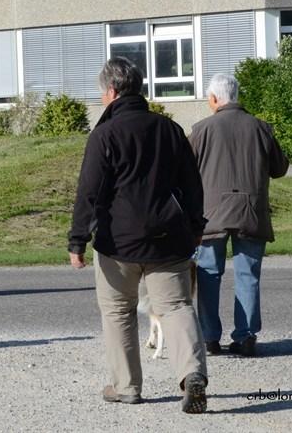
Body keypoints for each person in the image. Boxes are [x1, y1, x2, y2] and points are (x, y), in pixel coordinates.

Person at [68, 57, 208, 413]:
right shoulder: (170, 129)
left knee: (118, 311)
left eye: (102, 92)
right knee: (176, 307)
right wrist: (196, 226)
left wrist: (77, 239)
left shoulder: (104, 134)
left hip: (118, 242)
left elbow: (89, 191)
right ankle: (192, 374)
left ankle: (127, 386)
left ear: (112, 91)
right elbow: (192, 184)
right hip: (169, 237)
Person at [189, 73, 289, 357]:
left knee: (208, 274)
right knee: (248, 275)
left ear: (214, 98)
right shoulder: (261, 128)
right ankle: (245, 336)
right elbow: (280, 168)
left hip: (211, 216)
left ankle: (209, 336)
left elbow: (185, 171)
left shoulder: (201, 130)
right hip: (251, 212)